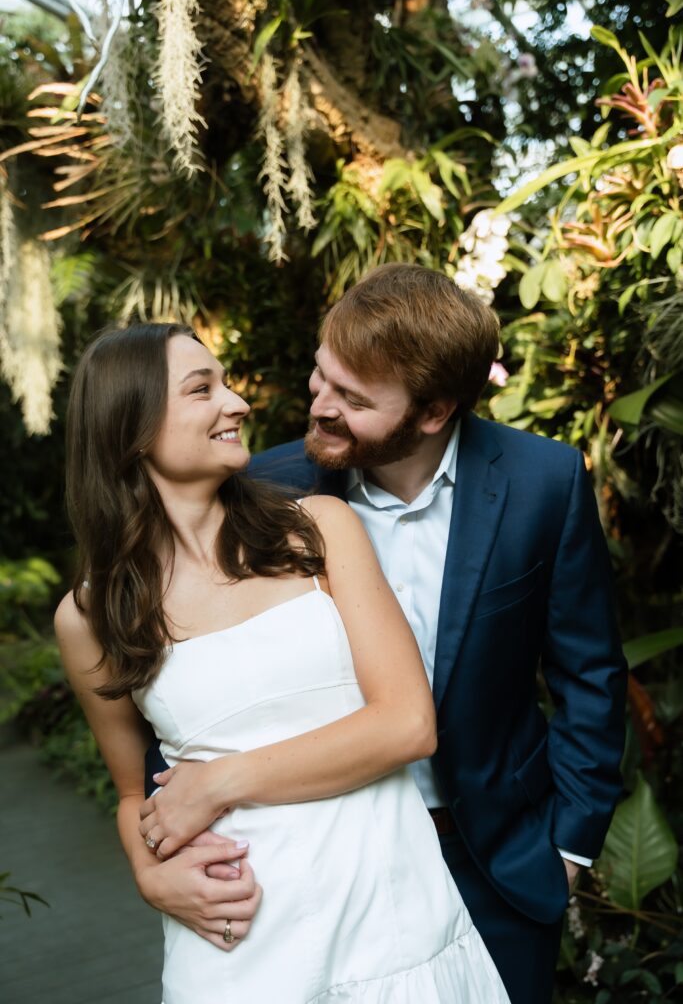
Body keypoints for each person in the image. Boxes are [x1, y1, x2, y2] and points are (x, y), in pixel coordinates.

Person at [145, 263, 627, 1004]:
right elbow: (189, 681)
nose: (320, 407)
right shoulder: (264, 492)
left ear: (431, 411)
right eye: (320, 377)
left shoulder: (543, 481)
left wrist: (564, 847)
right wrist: (160, 850)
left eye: (352, 398)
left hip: (498, 858)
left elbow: (589, 677)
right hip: (316, 869)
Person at [55, 322, 511, 1004]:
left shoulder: (318, 528)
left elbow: (408, 726)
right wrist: (149, 876)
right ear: (134, 425)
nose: (236, 403)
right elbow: (132, 792)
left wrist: (218, 784)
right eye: (203, 389)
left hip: (387, 915)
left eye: (228, 383)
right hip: (236, 939)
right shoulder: (89, 616)